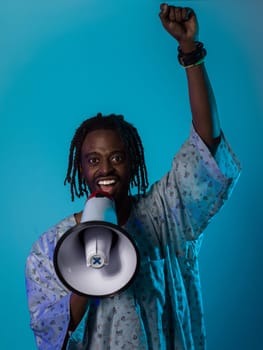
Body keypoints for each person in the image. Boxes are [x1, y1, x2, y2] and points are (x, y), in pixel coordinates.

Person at [25, 3, 241, 350]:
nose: (105, 169)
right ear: (80, 169)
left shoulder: (162, 214)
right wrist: (86, 270)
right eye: (93, 160)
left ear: (133, 164)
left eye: (117, 157)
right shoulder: (49, 251)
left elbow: (206, 145)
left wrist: (190, 53)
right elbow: (51, 334)